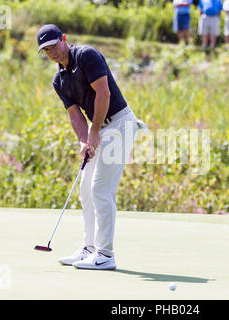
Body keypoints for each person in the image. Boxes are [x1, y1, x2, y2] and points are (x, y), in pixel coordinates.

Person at [36, 24, 146, 270]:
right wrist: (84, 140)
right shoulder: (59, 80)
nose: (52, 52)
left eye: (54, 45)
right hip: (101, 128)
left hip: (119, 124)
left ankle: (105, 254)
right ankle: (89, 248)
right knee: (86, 188)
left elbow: (103, 94)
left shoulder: (86, 55)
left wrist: (95, 131)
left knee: (100, 189)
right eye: (46, 50)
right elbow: (75, 115)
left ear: (64, 39)